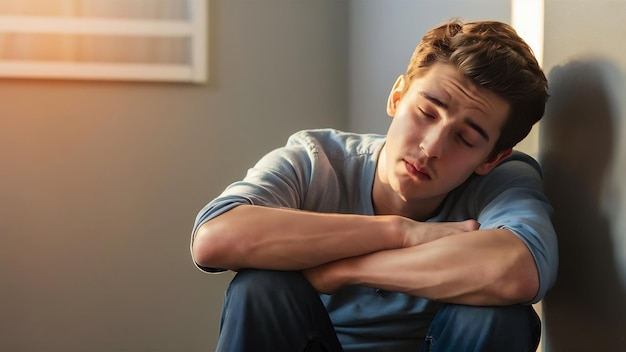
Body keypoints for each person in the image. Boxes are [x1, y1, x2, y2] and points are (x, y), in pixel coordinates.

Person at [190, 19, 558, 352]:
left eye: (464, 138)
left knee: (496, 315)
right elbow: (214, 239)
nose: (431, 148)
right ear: (397, 98)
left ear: (492, 158)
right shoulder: (317, 161)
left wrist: (346, 271)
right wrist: (400, 233)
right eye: (427, 113)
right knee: (261, 288)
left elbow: (516, 270)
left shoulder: (503, 180)